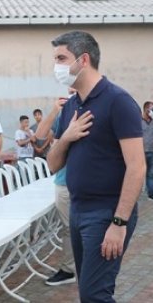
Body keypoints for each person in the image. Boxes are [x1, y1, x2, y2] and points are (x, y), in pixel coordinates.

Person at [47, 30, 145, 302]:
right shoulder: (71, 107)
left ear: (83, 59)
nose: (56, 66)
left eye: (61, 58)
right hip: (78, 210)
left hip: (106, 213)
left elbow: (137, 167)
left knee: (94, 295)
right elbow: (53, 164)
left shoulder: (118, 101)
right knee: (90, 292)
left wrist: (119, 222)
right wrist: (66, 137)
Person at [33, 92, 77, 286]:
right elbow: (40, 136)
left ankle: (81, 267)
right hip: (64, 180)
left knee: (88, 227)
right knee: (68, 228)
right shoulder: (63, 115)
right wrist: (55, 110)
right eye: (70, 92)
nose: (72, 95)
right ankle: (70, 268)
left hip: (87, 181)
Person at [142, 100, 153, 199]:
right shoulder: (139, 121)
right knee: (141, 173)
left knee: (150, 174)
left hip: (152, 151)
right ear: (146, 109)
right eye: (151, 109)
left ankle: (150, 194)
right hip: (141, 152)